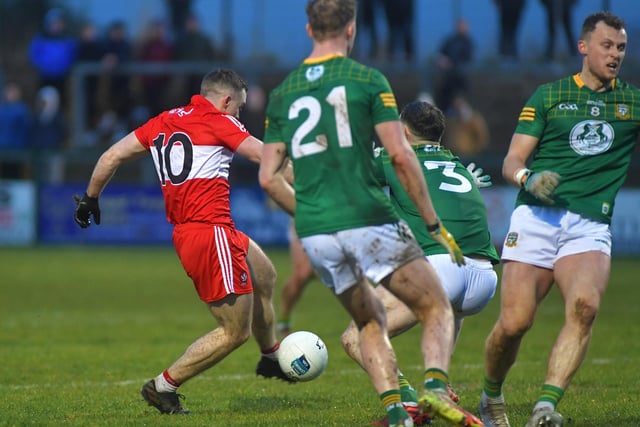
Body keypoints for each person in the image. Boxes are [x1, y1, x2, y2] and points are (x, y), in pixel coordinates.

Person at [258, 1, 482, 426]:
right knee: (437, 306)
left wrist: (309, 215)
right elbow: (400, 154)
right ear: (352, 29)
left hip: (319, 233)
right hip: (367, 219)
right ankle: (435, 388)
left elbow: (269, 179)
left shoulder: (283, 92)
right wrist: (432, 223)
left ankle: (397, 412)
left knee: (368, 322)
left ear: (308, 30)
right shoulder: (367, 80)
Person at [73, 69, 296, 415]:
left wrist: (90, 199)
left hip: (198, 231)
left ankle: (269, 358)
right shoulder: (219, 120)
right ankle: (164, 386)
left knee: (264, 274)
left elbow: (111, 156)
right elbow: (267, 158)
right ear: (225, 100)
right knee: (235, 332)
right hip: (210, 232)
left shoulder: (163, 121)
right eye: (237, 108)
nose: (239, 116)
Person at [478, 11, 640, 427]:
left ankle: (545, 407)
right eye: (607, 45)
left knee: (585, 308)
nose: (615, 54)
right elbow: (511, 161)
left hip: (588, 226)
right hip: (537, 218)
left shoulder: (633, 103)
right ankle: (490, 395)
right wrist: (528, 177)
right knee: (515, 324)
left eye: (621, 47)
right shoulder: (548, 96)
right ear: (583, 47)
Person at [341, 100, 499, 426]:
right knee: (448, 307)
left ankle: (413, 402)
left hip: (443, 270)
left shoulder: (395, 157)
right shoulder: (456, 163)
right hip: (484, 281)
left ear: (404, 131)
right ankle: (439, 385)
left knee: (356, 338)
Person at [276, 220, 316, 337]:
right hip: (305, 218)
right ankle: (284, 319)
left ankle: (361, 322)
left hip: (335, 217)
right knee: (302, 274)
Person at [434, 18, 474, 115]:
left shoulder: (468, 42)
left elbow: (467, 59)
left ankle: (458, 103)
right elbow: (440, 53)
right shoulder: (450, 40)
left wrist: (453, 64)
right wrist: (442, 61)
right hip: (447, 73)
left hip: (459, 74)